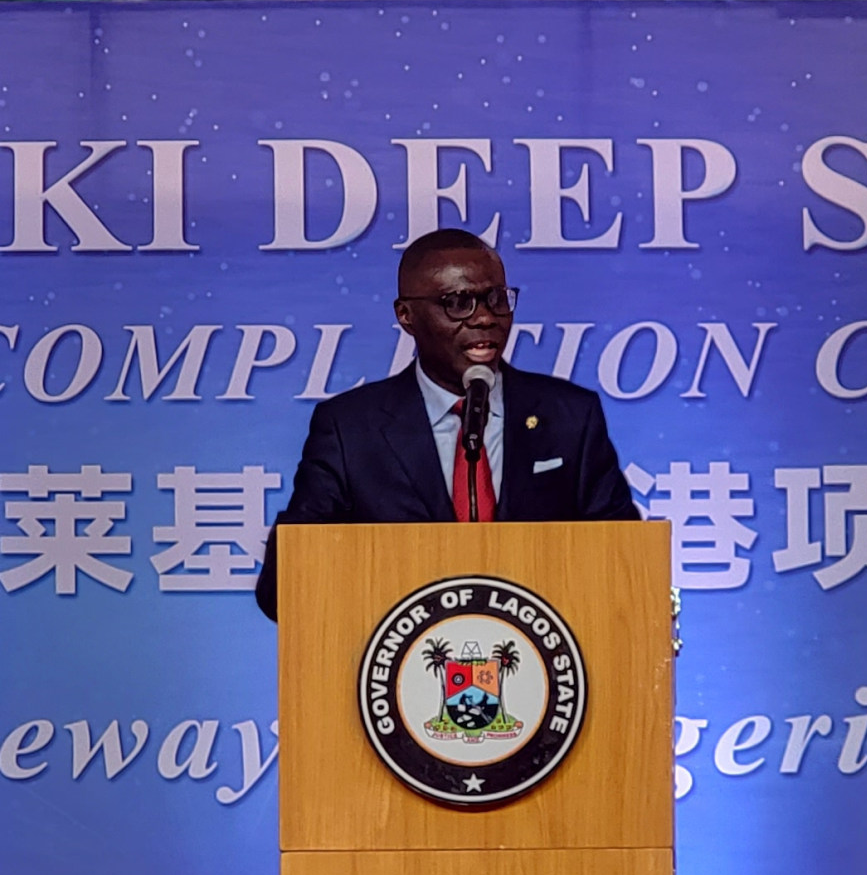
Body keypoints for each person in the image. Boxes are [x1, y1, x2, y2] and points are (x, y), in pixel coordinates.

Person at [254, 227, 639, 620]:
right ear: (406, 316)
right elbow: (283, 591)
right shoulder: (351, 429)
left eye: (495, 299)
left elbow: (626, 571)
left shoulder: (570, 418)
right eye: (458, 303)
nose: (486, 317)